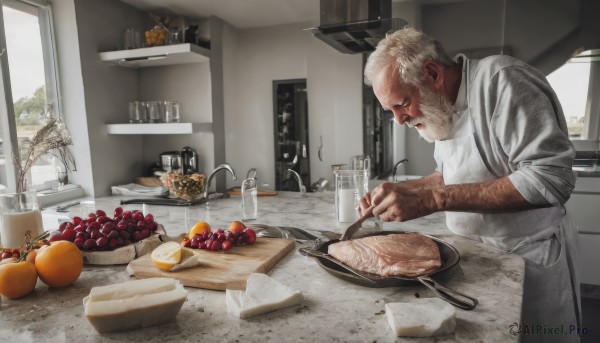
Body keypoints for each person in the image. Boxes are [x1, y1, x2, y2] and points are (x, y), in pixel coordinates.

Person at [361, 26, 580, 343]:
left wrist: (434, 199)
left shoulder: (501, 81)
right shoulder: (442, 107)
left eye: (403, 103)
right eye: (390, 110)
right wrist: (408, 191)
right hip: (475, 262)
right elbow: (450, 175)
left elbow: (550, 177)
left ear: (433, 73)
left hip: (528, 259)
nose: (399, 119)